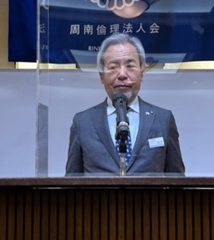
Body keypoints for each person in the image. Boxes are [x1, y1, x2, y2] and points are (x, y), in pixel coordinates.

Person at [65, 33, 185, 175]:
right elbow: (71, 181)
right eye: (113, 67)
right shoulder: (82, 122)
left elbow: (177, 179)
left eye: (130, 66)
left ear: (142, 72)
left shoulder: (163, 119)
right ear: (101, 76)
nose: (122, 75)